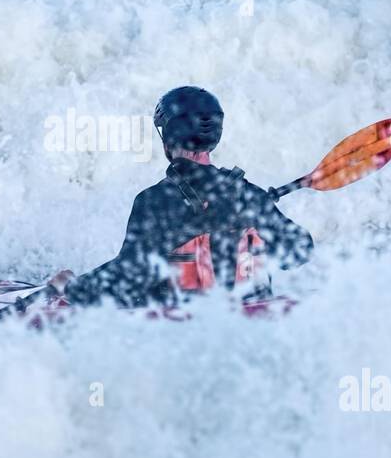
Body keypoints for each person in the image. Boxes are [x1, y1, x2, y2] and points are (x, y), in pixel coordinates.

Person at [55, 86, 313, 307]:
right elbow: (299, 252)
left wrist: (74, 287)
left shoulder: (155, 201)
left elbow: (126, 280)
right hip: (253, 329)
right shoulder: (247, 195)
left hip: (184, 338)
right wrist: (256, 212)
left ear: (168, 137)